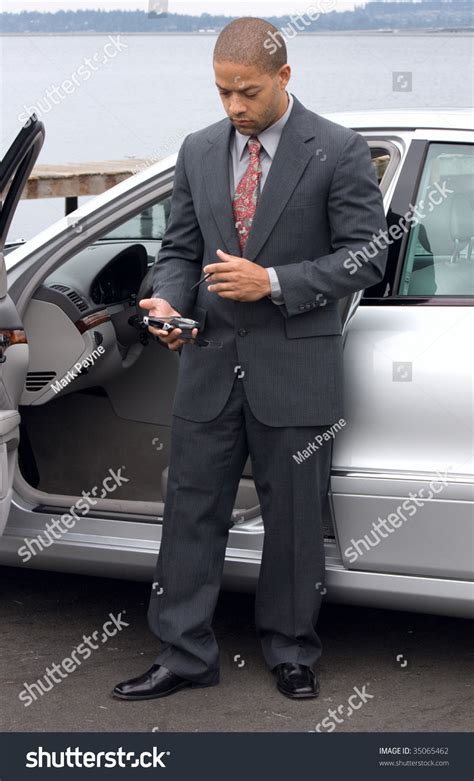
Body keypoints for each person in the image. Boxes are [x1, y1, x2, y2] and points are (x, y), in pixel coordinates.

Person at [113, 16, 387, 701]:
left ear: (283, 78)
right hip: (207, 365)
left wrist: (275, 283)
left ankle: (292, 650)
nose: (234, 107)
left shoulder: (340, 149)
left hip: (297, 368)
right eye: (222, 92)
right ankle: (183, 652)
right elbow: (179, 250)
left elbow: (368, 256)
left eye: (247, 92)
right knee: (189, 511)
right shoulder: (198, 149)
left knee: (294, 519)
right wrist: (167, 305)